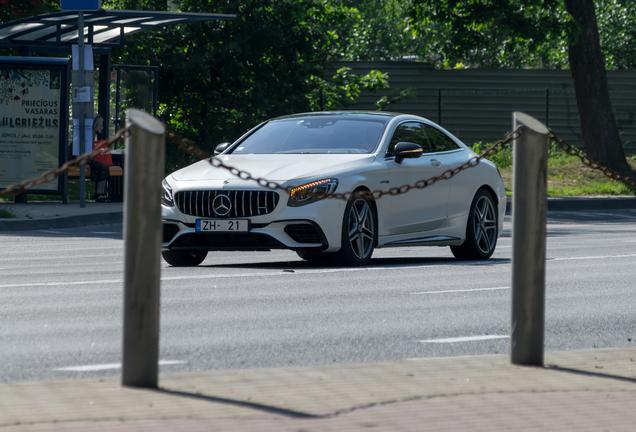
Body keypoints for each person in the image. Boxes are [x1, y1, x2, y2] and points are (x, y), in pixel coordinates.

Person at [88, 114, 111, 203]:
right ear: (95, 126)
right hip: (82, 161)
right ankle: (99, 193)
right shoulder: (88, 136)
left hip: (87, 159)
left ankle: (101, 192)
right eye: (101, 125)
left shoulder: (92, 135)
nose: (102, 127)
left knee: (105, 167)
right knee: (103, 168)